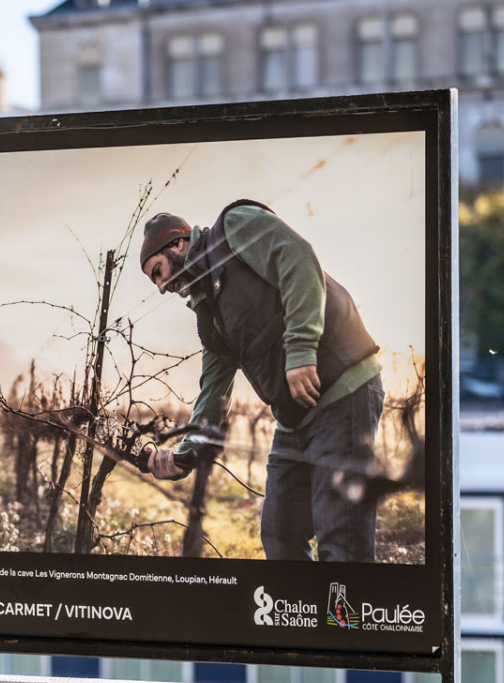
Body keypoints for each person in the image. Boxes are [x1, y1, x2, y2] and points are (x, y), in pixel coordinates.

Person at [137, 201, 384, 562]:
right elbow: (214, 392)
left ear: (177, 244)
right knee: (279, 535)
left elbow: (297, 258)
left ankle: (343, 622)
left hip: (342, 392)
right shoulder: (210, 316)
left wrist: (301, 349)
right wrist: (186, 454)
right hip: (294, 420)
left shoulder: (233, 227)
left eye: (157, 271)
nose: (160, 287)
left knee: (341, 539)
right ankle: (304, 618)